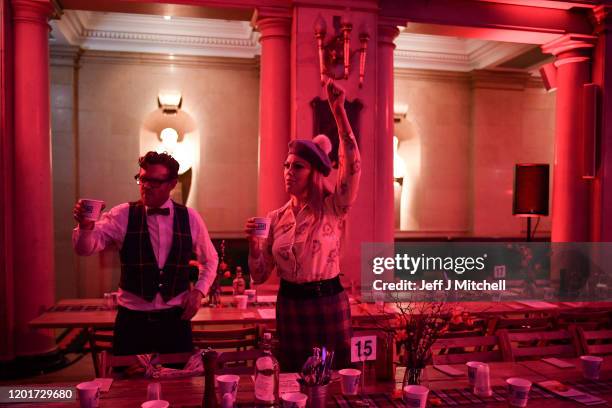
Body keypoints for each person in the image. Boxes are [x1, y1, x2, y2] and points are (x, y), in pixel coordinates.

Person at [245, 78, 361, 370]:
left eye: (297, 166)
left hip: (328, 303)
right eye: (286, 165)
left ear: (314, 173)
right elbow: (259, 277)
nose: (288, 172)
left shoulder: (334, 207)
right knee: (293, 379)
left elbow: (353, 163)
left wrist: (338, 111)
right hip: (290, 306)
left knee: (334, 378)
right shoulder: (274, 218)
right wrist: (255, 248)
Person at [72, 152, 218, 355]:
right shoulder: (122, 214)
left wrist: (199, 291)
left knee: (178, 382)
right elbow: (84, 249)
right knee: (126, 383)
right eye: (142, 179)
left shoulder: (190, 217)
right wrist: (85, 226)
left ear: (172, 184)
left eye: (154, 181)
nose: (146, 185)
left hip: (175, 320)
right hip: (132, 320)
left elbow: (210, 259)